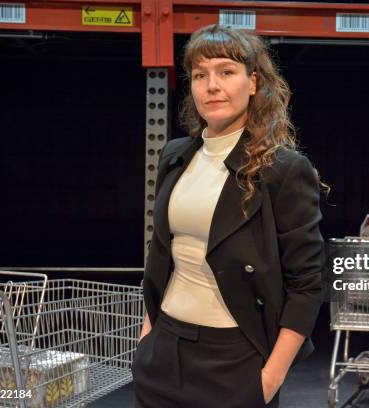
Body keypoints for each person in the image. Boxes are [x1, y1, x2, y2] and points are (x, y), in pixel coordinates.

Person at [132, 24, 326, 408]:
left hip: (234, 361)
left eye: (225, 72)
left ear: (253, 82)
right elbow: (163, 255)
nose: (211, 86)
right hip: (163, 353)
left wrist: (269, 379)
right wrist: (148, 338)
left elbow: (307, 285)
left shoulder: (283, 169)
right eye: (200, 75)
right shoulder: (175, 155)